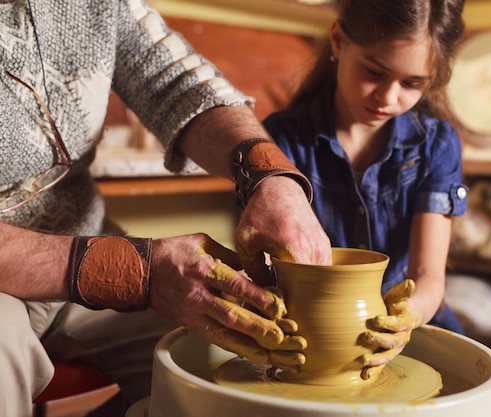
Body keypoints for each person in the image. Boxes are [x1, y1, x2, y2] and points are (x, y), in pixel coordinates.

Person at [0, 1, 331, 416]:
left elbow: (176, 82)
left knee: (233, 343)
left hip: (79, 236)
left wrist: (272, 178)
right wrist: (136, 271)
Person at [263, 0, 468, 375]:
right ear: (339, 41)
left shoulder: (437, 145)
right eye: (375, 72)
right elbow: (268, 266)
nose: (388, 98)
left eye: (412, 83)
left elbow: (428, 273)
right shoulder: (281, 139)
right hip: (313, 332)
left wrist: (406, 319)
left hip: (412, 327)